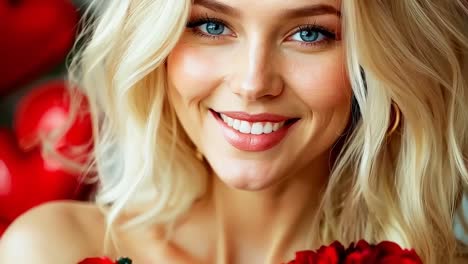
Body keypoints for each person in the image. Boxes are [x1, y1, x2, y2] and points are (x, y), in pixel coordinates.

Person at [1, 0, 468, 263]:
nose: (252, 83)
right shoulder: (50, 249)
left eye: (310, 34)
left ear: (375, 62)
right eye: (211, 25)